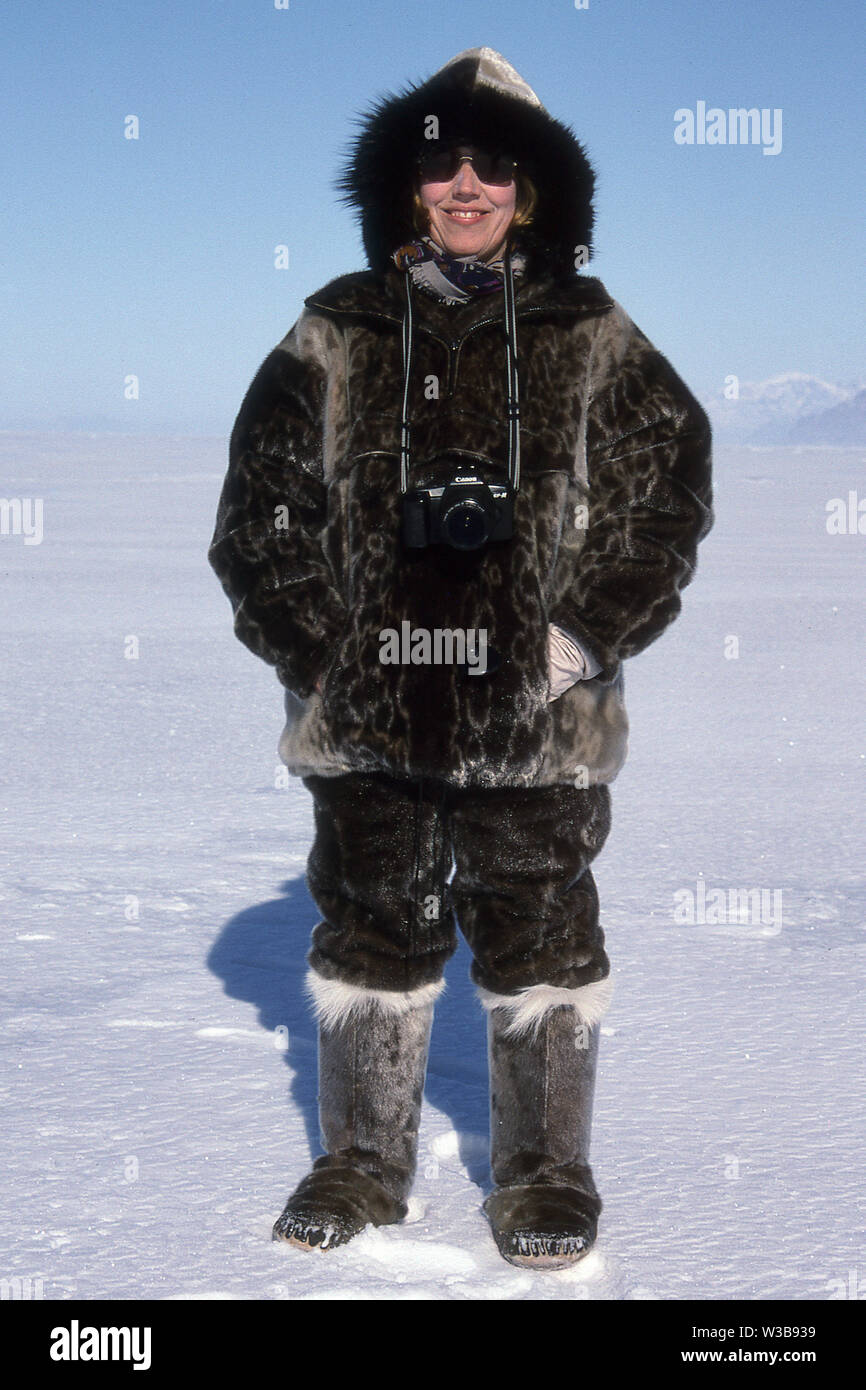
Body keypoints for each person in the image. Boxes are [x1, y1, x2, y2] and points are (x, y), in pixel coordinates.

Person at [208, 47, 713, 1269]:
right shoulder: (334, 325)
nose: (468, 183)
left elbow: (665, 492)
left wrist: (581, 634)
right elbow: (260, 508)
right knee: (369, 923)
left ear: (532, 190)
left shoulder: (584, 327)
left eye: (495, 163)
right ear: (405, 186)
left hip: (536, 712)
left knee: (540, 931)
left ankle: (545, 1175)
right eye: (440, 161)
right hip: (370, 706)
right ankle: (361, 1164)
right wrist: (320, 650)